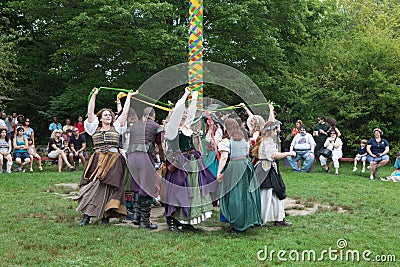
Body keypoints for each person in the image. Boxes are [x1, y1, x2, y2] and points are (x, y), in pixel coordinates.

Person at [74, 87, 135, 226]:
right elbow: (90, 111)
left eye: (110, 115)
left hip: (114, 160)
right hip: (98, 159)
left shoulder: (117, 127)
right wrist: (94, 95)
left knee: (110, 187)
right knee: (93, 184)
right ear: (100, 118)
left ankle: (105, 216)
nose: (108, 116)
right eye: (105, 115)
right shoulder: (93, 127)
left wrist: (129, 97)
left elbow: (124, 113)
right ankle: (87, 216)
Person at [163, 88, 216, 233]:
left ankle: (187, 221)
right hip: (179, 163)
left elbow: (192, 112)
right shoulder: (172, 128)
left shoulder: (186, 127)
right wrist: (186, 95)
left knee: (191, 191)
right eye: (182, 113)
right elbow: (179, 108)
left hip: (192, 161)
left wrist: (195, 97)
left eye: (185, 113)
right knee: (177, 191)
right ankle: (173, 222)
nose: (185, 114)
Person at [252, 104, 296, 226]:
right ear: (271, 131)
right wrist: (288, 153)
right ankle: (263, 219)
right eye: (276, 129)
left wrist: (271, 110)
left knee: (275, 193)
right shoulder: (268, 140)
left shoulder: (264, 138)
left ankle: (278, 218)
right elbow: (273, 155)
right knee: (267, 194)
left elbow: (270, 122)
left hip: (266, 168)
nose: (277, 130)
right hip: (266, 169)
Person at [216, 118, 262, 232]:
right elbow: (247, 154)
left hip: (234, 168)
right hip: (246, 166)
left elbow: (224, 157)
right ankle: (247, 220)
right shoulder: (243, 139)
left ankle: (237, 223)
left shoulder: (226, 142)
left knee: (235, 195)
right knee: (245, 195)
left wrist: (219, 172)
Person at [126, 106, 164, 229]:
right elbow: (160, 145)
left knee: (137, 185)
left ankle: (136, 217)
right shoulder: (155, 126)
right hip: (145, 156)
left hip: (132, 156)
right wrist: (163, 158)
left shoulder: (135, 125)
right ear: (154, 114)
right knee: (146, 186)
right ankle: (144, 221)